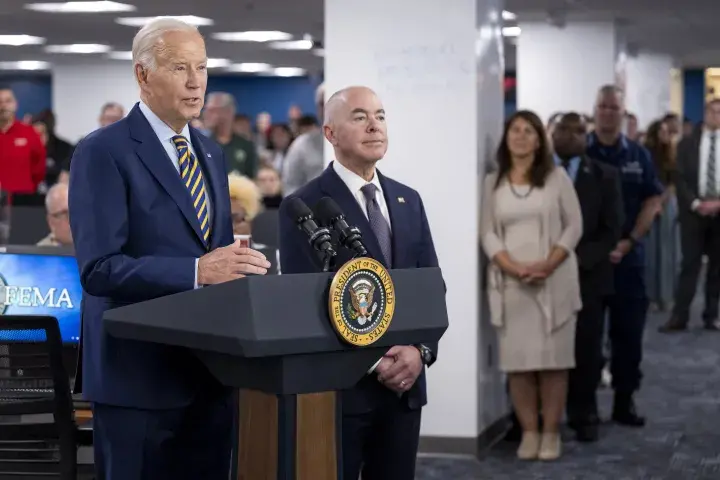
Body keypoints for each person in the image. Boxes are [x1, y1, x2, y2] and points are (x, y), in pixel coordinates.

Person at [68, 18, 271, 479]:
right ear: (143, 75)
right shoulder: (103, 152)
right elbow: (100, 269)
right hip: (136, 377)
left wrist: (242, 270)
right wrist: (197, 271)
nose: (196, 81)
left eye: (201, 67)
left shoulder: (209, 151)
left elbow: (217, 254)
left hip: (207, 373)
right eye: (180, 67)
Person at [279, 86, 440, 480]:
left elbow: (431, 289)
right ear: (330, 133)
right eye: (359, 116)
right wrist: (375, 361)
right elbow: (307, 304)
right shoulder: (304, 206)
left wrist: (420, 352)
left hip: (405, 385)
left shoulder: (408, 200)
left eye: (380, 116)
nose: (374, 126)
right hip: (342, 390)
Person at [481, 110, 583, 461]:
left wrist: (549, 263)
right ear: (506, 137)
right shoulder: (493, 182)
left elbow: (575, 226)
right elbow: (488, 233)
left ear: (540, 139)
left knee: (554, 364)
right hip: (512, 284)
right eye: (515, 130)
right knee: (520, 364)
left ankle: (551, 432)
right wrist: (513, 267)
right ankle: (529, 432)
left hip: (554, 281)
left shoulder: (556, 178)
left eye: (528, 131)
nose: (521, 136)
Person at [587, 85, 663, 426]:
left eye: (613, 107)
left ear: (622, 112)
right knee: (586, 337)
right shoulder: (580, 154)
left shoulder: (638, 155)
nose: (607, 112)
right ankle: (585, 405)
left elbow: (652, 200)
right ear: (594, 110)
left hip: (628, 258)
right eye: (602, 106)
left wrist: (629, 240)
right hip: (589, 263)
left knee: (628, 334)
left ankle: (624, 401)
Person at [552, 113, 623, 442]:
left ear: (587, 135)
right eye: (564, 129)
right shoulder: (536, 175)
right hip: (542, 274)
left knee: (587, 348)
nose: (571, 135)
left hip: (589, 276)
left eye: (578, 130)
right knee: (544, 348)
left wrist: (573, 261)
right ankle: (537, 415)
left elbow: (612, 230)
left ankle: (584, 413)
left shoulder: (605, 175)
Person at [660, 99, 720, 332]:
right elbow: (680, 177)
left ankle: (711, 316)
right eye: (713, 112)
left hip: (719, 213)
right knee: (689, 265)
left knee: (717, 268)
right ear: (705, 113)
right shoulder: (687, 143)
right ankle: (679, 316)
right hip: (693, 213)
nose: (717, 116)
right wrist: (696, 203)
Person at [37, 183, 73, 247]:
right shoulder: (41, 254)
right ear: (51, 222)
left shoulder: (94, 246)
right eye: (66, 214)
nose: (73, 219)